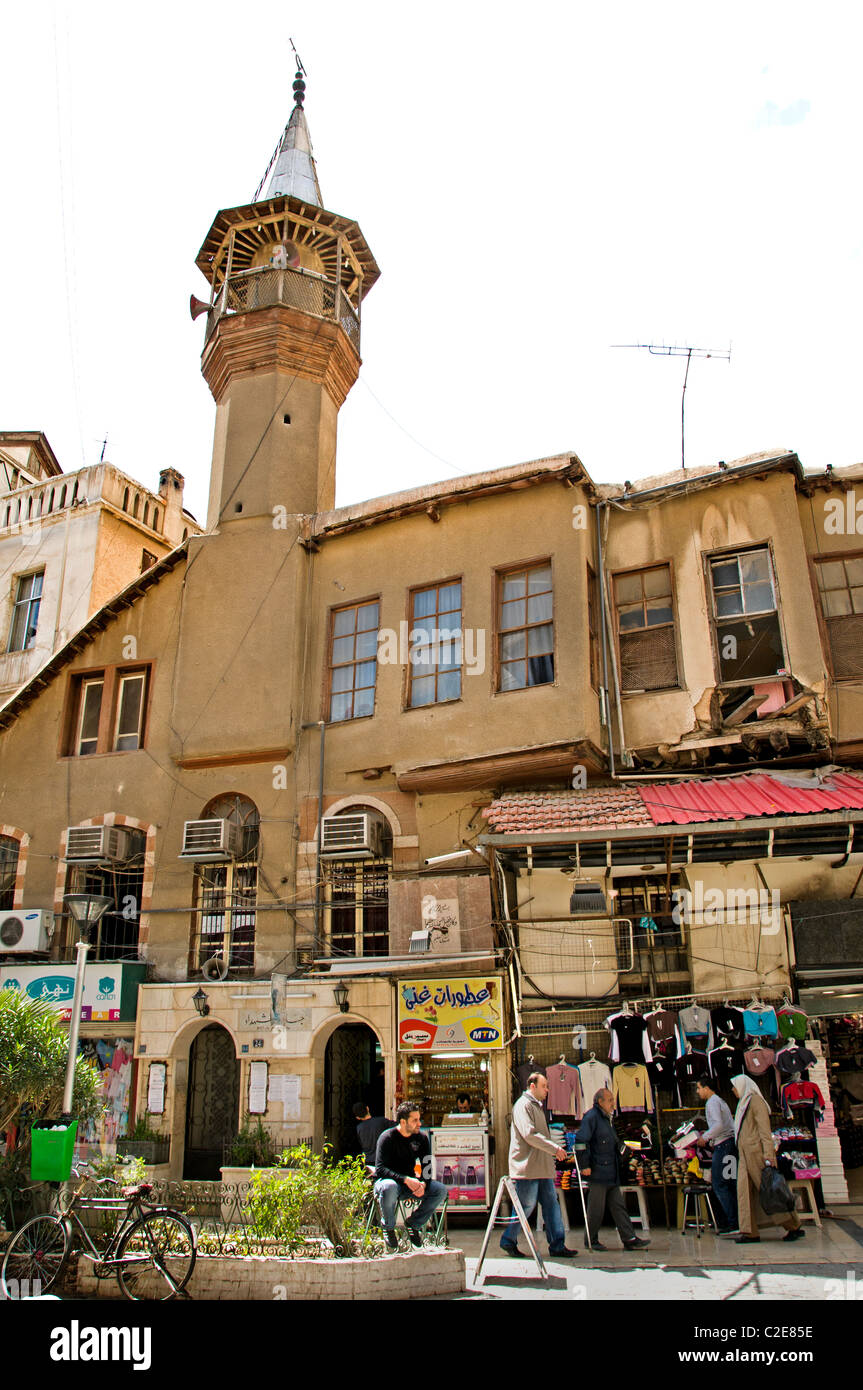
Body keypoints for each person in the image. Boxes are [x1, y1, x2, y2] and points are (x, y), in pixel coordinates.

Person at [499, 1072, 578, 1260]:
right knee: (524, 1207)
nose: (547, 1090)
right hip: (527, 1168)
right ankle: (508, 1240)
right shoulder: (523, 1106)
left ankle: (557, 1244)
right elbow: (529, 1135)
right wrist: (554, 1148)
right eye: (544, 1086)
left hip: (541, 1167)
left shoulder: (535, 1106)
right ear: (532, 1086)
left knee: (551, 1205)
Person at [731, 1074, 803, 1244]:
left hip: (757, 1154)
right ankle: (749, 1231)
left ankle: (792, 1226)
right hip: (744, 1154)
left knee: (771, 1192)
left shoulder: (755, 1102)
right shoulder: (743, 1104)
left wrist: (768, 1156)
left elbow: (764, 1130)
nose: (733, 1090)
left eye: (734, 1086)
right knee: (744, 1193)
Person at [576, 1088, 651, 1252]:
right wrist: (584, 1166)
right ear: (600, 1102)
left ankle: (629, 1238)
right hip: (597, 1172)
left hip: (611, 1171)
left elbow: (613, 1142)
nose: (613, 1103)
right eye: (610, 1100)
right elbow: (581, 1141)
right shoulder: (592, 1117)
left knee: (618, 1206)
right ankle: (591, 1240)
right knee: (595, 1209)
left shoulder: (606, 1119)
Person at [373, 1101, 447, 1250]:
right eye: (415, 1120)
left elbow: (427, 1165)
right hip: (388, 1184)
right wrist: (406, 1180)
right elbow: (380, 1169)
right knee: (389, 1186)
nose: (419, 1123)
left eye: (419, 1119)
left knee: (440, 1190)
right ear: (403, 1121)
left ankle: (414, 1224)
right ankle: (388, 1228)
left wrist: (424, 1184)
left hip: (411, 1184)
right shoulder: (387, 1138)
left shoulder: (421, 1138)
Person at [694, 1078, 738, 1234]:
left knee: (719, 1184)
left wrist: (704, 1138)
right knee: (730, 1183)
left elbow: (718, 1125)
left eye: (699, 1088)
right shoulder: (721, 1101)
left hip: (723, 1147)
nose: (698, 1091)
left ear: (707, 1088)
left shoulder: (712, 1102)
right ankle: (736, 1221)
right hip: (730, 1145)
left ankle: (731, 1223)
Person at [352, 1102, 390, 1168]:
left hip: (368, 1162)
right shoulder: (382, 1121)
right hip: (383, 1160)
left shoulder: (359, 1128)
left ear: (357, 1117)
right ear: (367, 1108)